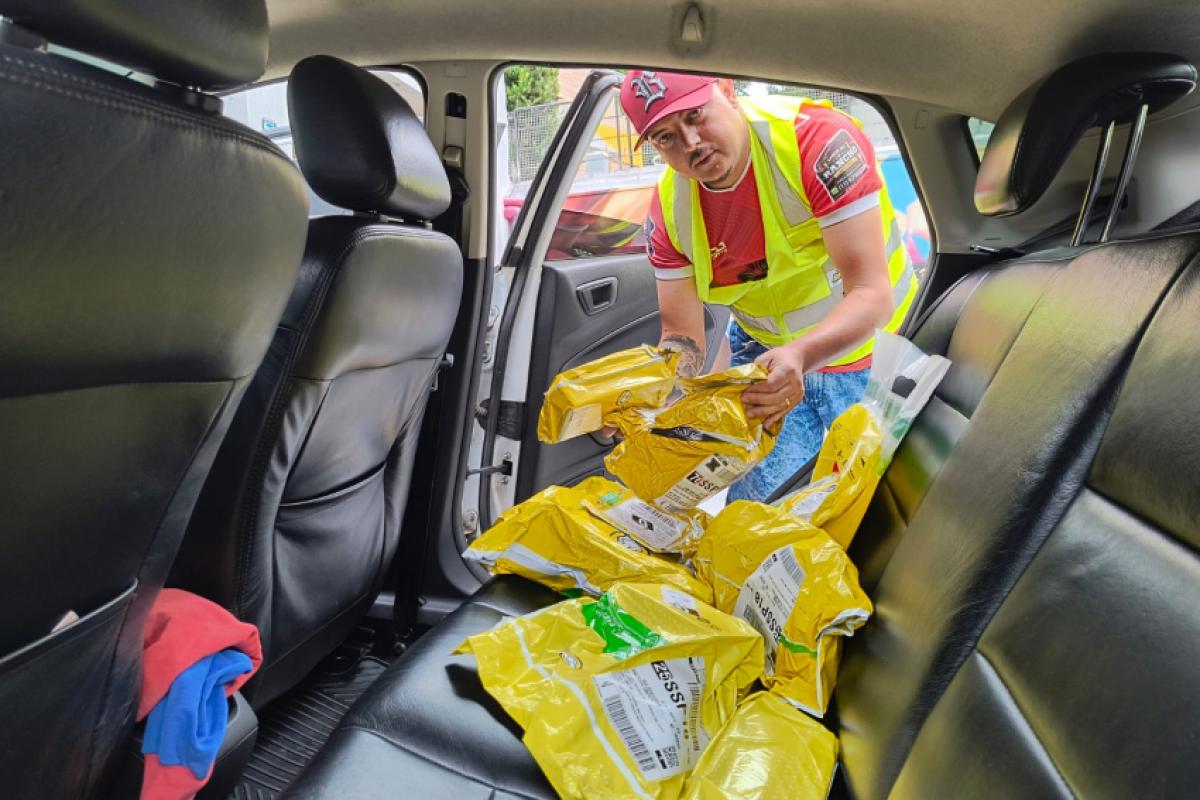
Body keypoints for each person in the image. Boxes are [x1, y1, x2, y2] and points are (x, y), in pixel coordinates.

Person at [618, 70, 917, 502]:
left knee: (876, 510)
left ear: (727, 91)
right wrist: (655, 390)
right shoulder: (669, 212)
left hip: (878, 356)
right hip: (770, 364)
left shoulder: (814, 142)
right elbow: (682, 336)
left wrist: (800, 354)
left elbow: (871, 293)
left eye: (696, 115)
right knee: (756, 519)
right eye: (665, 137)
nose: (690, 143)